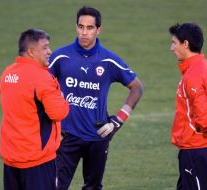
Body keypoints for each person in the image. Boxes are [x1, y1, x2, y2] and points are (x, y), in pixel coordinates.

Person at [48, 6, 143, 190]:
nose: (84, 32)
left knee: (93, 187)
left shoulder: (108, 60)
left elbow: (137, 88)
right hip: (66, 137)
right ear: (76, 27)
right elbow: (41, 85)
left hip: (98, 138)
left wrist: (118, 121)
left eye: (90, 28)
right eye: (80, 26)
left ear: (98, 30)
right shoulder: (60, 56)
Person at [0, 28, 70, 190]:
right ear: (31, 51)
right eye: (44, 47)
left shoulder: (7, 74)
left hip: (11, 159)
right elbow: (59, 112)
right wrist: (62, 96)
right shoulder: (42, 78)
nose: (49, 51)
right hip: (37, 161)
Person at [169, 23, 207, 190]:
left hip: (195, 148)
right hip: (202, 147)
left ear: (186, 44)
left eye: (174, 42)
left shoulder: (193, 75)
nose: (171, 47)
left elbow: (203, 117)